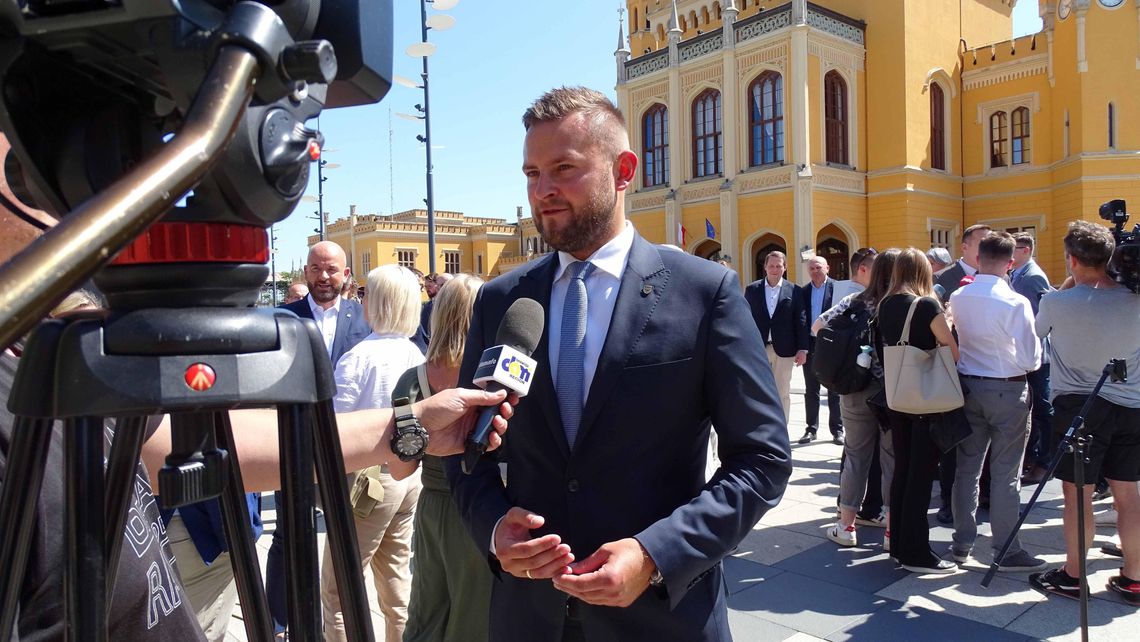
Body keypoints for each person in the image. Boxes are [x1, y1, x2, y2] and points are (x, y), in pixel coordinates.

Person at [446, 87, 791, 641]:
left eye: (564, 168)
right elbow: (468, 451)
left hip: (662, 617)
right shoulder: (504, 302)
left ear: (624, 169)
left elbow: (763, 459)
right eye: (532, 173)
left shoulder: (705, 294)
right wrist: (492, 530)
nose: (544, 191)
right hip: (529, 618)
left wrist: (656, 553)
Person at [1029, 221, 1140, 606]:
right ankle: (1134, 577)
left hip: (1080, 406)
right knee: (1129, 493)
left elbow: (1038, 335)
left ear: (1072, 260)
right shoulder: (1135, 299)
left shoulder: (1057, 301)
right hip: (1130, 406)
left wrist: (1069, 281)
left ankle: (1075, 576)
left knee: (1079, 495)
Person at [319, 264, 427, 641]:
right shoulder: (416, 353)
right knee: (396, 579)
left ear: (374, 303)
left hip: (367, 481)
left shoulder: (358, 358)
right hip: (408, 476)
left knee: (337, 592)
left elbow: (336, 430)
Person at [271, 240, 371, 635]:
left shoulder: (364, 319)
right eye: (316, 268)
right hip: (293, 443)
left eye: (332, 269)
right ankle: (281, 620)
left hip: (346, 447)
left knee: (345, 534)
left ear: (346, 275)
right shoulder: (282, 317)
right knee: (286, 534)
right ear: (306, 272)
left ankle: (344, 619)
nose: (323, 277)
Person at [403, 274, 494, 642]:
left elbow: (400, 467)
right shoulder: (491, 380)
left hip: (431, 505)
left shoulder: (414, 379)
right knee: (473, 614)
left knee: (427, 607)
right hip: (483, 505)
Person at [946, 232, 1044, 571]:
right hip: (1007, 388)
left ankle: (961, 543)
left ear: (979, 258)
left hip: (970, 386)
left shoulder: (959, 296)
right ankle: (1006, 549)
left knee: (967, 469)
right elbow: (1032, 359)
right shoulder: (1015, 302)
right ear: (1010, 263)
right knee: (1005, 474)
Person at [875, 248, 960, 574]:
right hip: (925, 400)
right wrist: (948, 323)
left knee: (902, 471)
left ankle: (898, 545)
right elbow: (951, 354)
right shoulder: (925, 305)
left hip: (898, 397)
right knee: (921, 476)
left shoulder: (886, 304)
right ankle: (917, 553)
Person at [815, 249, 898, 549]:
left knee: (856, 458)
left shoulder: (854, 301)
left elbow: (818, 326)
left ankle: (845, 526)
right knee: (891, 460)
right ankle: (891, 531)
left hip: (855, 390)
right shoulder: (900, 304)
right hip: (892, 393)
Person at [933, 224, 992, 525]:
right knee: (953, 443)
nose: (986, 248)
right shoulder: (946, 279)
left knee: (984, 444)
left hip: (988, 372)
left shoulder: (997, 276)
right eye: (981, 242)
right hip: (955, 371)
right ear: (966, 246)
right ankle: (948, 502)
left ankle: (984, 495)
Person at [1010, 232, 1055, 485]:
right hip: (1027, 353)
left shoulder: (1033, 276)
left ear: (1025, 250)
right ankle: (1035, 458)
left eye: (1014, 248)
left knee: (1042, 408)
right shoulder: (1020, 274)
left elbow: (1036, 322)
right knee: (1036, 408)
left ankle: (1044, 462)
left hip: (1035, 354)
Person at [744, 250, 808, 423]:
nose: (774, 269)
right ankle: (760, 426)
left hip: (785, 350)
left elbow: (801, 320)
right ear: (765, 267)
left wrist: (803, 348)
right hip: (758, 349)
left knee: (782, 392)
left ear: (785, 267)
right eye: (771, 265)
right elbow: (745, 318)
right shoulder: (752, 289)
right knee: (758, 389)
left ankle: (781, 429)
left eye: (778, 266)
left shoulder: (795, 290)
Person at [799, 255, 843, 444]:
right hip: (811, 344)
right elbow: (800, 321)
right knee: (811, 389)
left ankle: (837, 431)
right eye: (812, 268)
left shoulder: (838, 289)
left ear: (828, 268)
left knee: (834, 389)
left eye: (819, 267)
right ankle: (811, 429)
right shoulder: (803, 291)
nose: (815, 271)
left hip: (832, 345)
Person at [412, 271, 454, 354]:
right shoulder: (428, 307)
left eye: (442, 285)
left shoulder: (464, 307)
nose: (426, 289)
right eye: (425, 286)